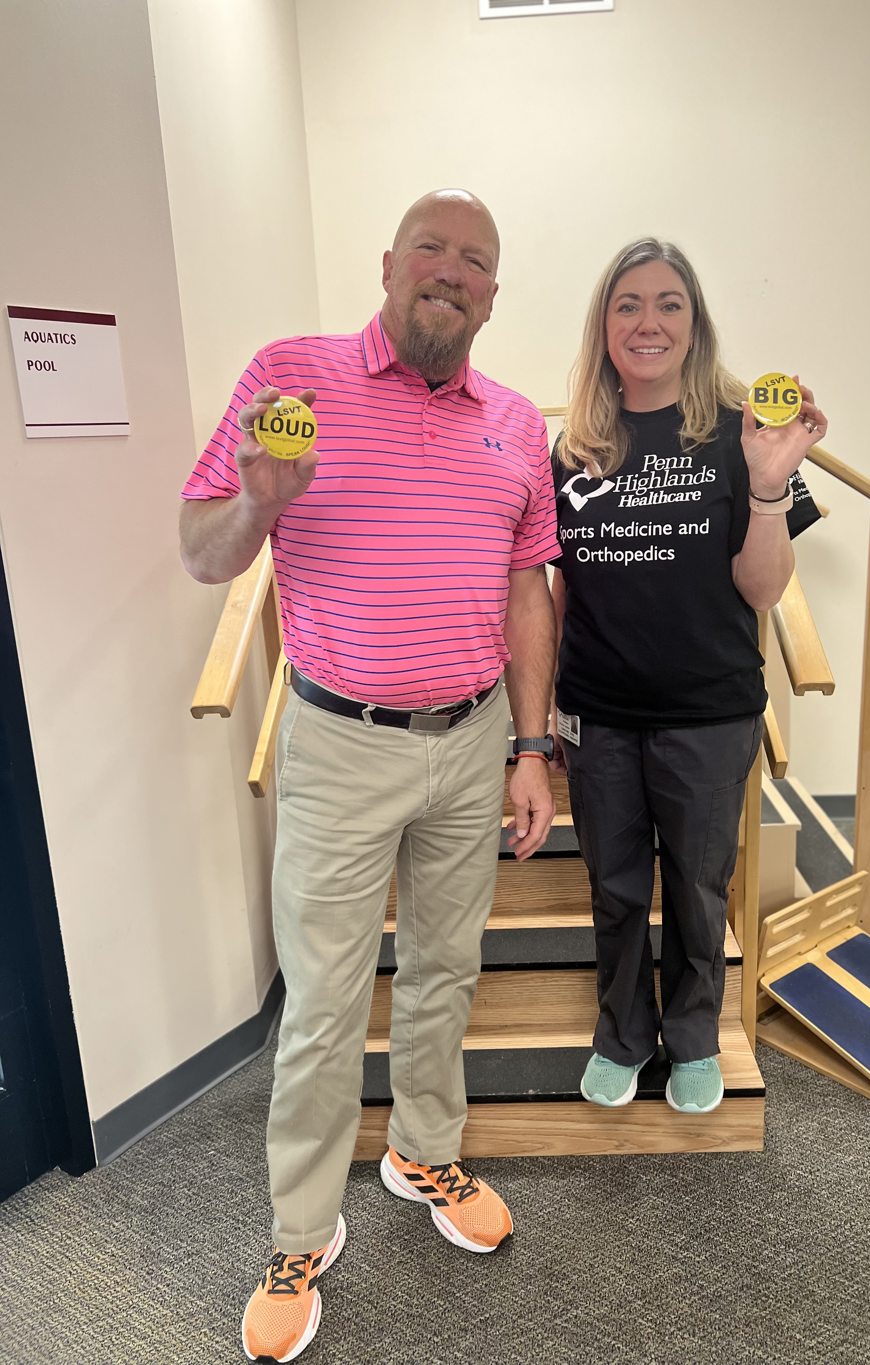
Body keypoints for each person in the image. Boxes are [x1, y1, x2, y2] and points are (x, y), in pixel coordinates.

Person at [180, 189, 559, 1365]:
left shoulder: (514, 421)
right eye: (433, 250)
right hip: (341, 741)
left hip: (472, 736)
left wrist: (532, 746)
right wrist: (258, 500)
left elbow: (526, 589)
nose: (451, 272)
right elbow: (203, 553)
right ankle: (302, 1229)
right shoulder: (290, 377)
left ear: (494, 293)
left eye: (476, 262)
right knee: (326, 1002)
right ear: (389, 263)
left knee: (446, 971)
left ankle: (421, 1153)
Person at [550, 238, 825, 1115]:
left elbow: (763, 588)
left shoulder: (741, 433)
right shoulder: (574, 447)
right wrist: (550, 701)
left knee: (700, 889)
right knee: (617, 888)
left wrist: (773, 484)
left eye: (669, 303)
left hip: (709, 712)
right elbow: (560, 583)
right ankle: (624, 1035)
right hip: (599, 710)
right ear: (604, 324)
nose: (649, 321)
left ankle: (695, 1035)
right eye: (628, 303)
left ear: (694, 322)